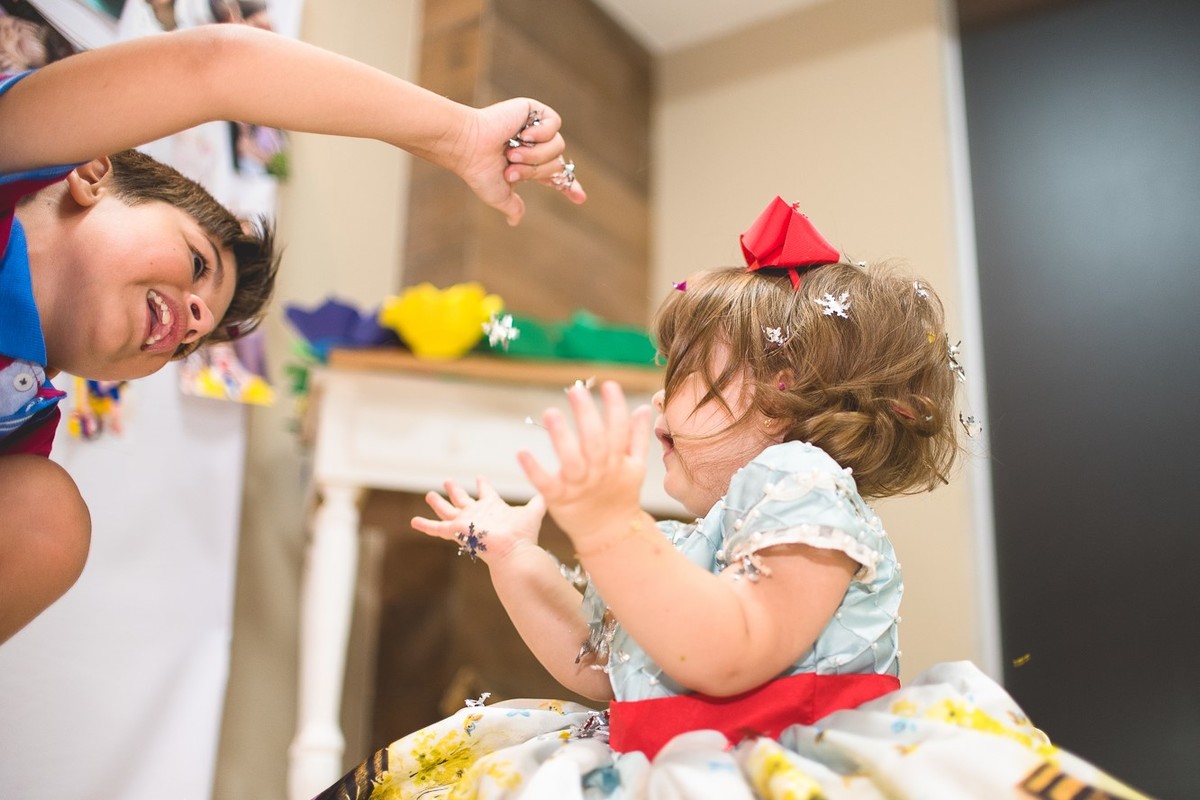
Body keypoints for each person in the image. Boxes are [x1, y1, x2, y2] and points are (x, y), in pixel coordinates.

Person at [313, 198, 1148, 799]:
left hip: (766, 765)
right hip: (652, 758)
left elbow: (733, 651)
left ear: (778, 395)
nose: (656, 402)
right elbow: (601, 672)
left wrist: (607, 525)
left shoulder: (800, 483)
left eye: (682, 378)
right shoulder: (694, 539)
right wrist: (516, 558)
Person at [0, 21, 587, 645]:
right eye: (198, 265)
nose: (192, 323)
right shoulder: (17, 152)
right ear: (90, 173)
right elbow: (218, 65)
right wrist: (461, 132)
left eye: (191, 347)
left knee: (51, 520)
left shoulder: (24, 444)